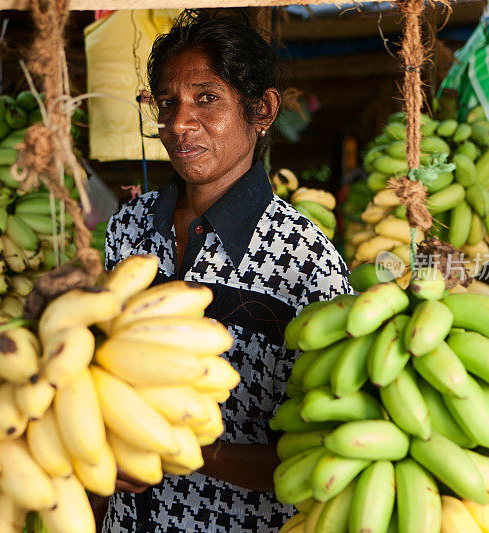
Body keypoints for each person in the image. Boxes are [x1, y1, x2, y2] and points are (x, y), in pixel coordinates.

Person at [101, 10, 351, 532]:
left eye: (206, 98)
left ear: (262, 110)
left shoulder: (305, 259)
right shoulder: (130, 228)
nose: (179, 124)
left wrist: (191, 449)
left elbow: (327, 446)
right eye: (168, 103)